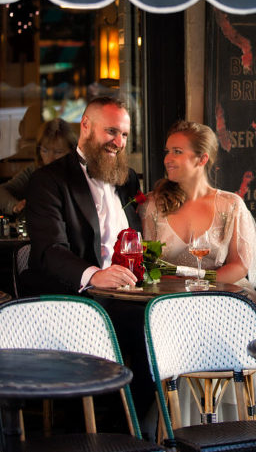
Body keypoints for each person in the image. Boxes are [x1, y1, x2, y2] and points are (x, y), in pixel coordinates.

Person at [21, 95, 155, 434]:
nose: (118, 142)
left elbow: (132, 239)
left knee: (161, 319)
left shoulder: (128, 179)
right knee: (141, 329)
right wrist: (96, 275)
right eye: (111, 131)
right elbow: (49, 250)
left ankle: (132, 427)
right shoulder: (48, 180)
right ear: (85, 126)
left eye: (124, 135)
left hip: (125, 292)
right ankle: (105, 431)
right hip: (73, 294)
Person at [140, 119, 256, 423]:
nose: (167, 159)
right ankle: (184, 423)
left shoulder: (230, 204)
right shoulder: (153, 206)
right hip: (172, 303)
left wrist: (203, 285)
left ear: (201, 159)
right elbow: (151, 269)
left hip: (225, 299)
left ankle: (241, 422)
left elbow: (240, 265)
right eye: (167, 151)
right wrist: (182, 291)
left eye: (177, 151)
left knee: (229, 313)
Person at [0, 118, 77, 216]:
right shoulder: (35, 170)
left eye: (58, 152)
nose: (50, 159)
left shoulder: (81, 173)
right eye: (44, 151)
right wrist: (15, 206)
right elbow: (1, 191)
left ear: (72, 152)